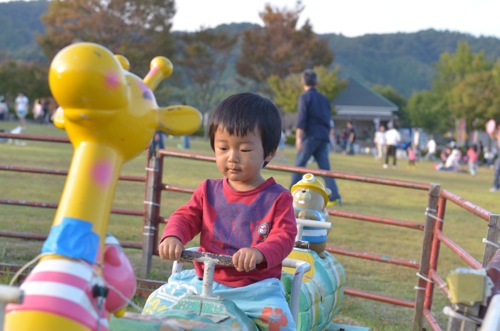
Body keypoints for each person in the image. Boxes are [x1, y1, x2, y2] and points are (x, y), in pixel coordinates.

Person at [144, 93, 297, 330]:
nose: (232, 157)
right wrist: (173, 236)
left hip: (254, 290)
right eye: (223, 147)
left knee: (282, 324)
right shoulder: (208, 190)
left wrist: (259, 253)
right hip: (204, 282)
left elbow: (284, 236)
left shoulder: (278, 198)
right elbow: (186, 216)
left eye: (245, 150)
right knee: (155, 305)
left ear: (269, 152)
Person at [290, 69, 341, 206]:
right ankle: (334, 196)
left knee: (299, 166)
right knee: (325, 169)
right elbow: (328, 119)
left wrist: (298, 138)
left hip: (310, 136)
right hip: (323, 136)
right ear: (316, 82)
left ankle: (289, 195)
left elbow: (302, 117)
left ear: (302, 82)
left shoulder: (304, 97)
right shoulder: (324, 99)